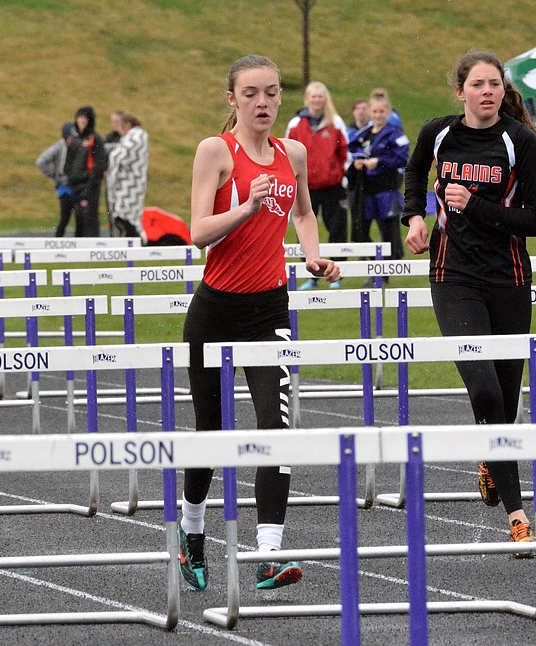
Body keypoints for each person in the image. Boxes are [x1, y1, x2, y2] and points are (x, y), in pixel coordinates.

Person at [178, 54, 340, 593]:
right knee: (211, 434)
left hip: (270, 308)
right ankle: (192, 530)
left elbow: (303, 214)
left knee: (277, 427)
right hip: (215, 309)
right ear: (232, 99)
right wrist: (247, 208)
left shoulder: (292, 152)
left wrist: (313, 256)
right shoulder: (214, 151)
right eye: (251, 93)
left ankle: (269, 554)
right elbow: (198, 232)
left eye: (271, 92)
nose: (263, 102)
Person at [402, 50, 536, 551]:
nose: (487, 91)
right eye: (478, 84)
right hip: (453, 277)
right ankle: (517, 513)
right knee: (484, 390)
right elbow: (414, 174)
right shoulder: (438, 133)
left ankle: (492, 460)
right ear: (461, 91)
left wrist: (478, 206)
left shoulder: (519, 140)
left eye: (494, 83)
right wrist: (415, 218)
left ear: (502, 90)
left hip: (508, 279)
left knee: (505, 402)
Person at [286, 81, 349, 290]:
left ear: (325, 99)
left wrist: (340, 175)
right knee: (304, 230)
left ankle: (337, 274)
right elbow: (287, 153)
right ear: (307, 99)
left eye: (320, 96)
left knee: (337, 229)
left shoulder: (336, 123)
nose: (316, 100)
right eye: (313, 96)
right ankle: (311, 275)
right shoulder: (296, 123)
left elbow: (345, 153)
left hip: (332, 186)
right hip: (306, 187)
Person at [348, 93, 409, 285]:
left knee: (388, 233)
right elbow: (350, 149)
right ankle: (375, 265)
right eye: (374, 111)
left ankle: (383, 274)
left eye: (382, 111)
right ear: (369, 112)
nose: (378, 115)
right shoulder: (363, 133)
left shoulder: (395, 134)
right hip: (366, 190)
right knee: (359, 232)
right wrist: (357, 161)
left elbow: (403, 158)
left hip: (387, 190)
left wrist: (380, 161)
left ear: (388, 112)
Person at [63, 105, 108, 237]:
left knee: (89, 217)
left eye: (85, 118)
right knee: (78, 218)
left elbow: (99, 165)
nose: (81, 121)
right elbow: (69, 162)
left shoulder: (95, 139)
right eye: (79, 118)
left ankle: (92, 247)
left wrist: (90, 184)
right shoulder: (74, 139)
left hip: (89, 186)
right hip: (74, 184)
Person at [106, 110, 149, 239]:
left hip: (130, 185)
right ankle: (133, 243)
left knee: (127, 219)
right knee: (123, 219)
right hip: (127, 185)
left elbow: (118, 156)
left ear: (128, 125)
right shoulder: (132, 137)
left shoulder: (136, 136)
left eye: (120, 125)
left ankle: (139, 242)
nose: (118, 129)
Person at [36, 121, 77, 237]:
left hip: (78, 186)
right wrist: (55, 175)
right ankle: (57, 242)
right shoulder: (59, 147)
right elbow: (40, 161)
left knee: (81, 218)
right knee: (65, 217)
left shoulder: (78, 145)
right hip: (65, 187)